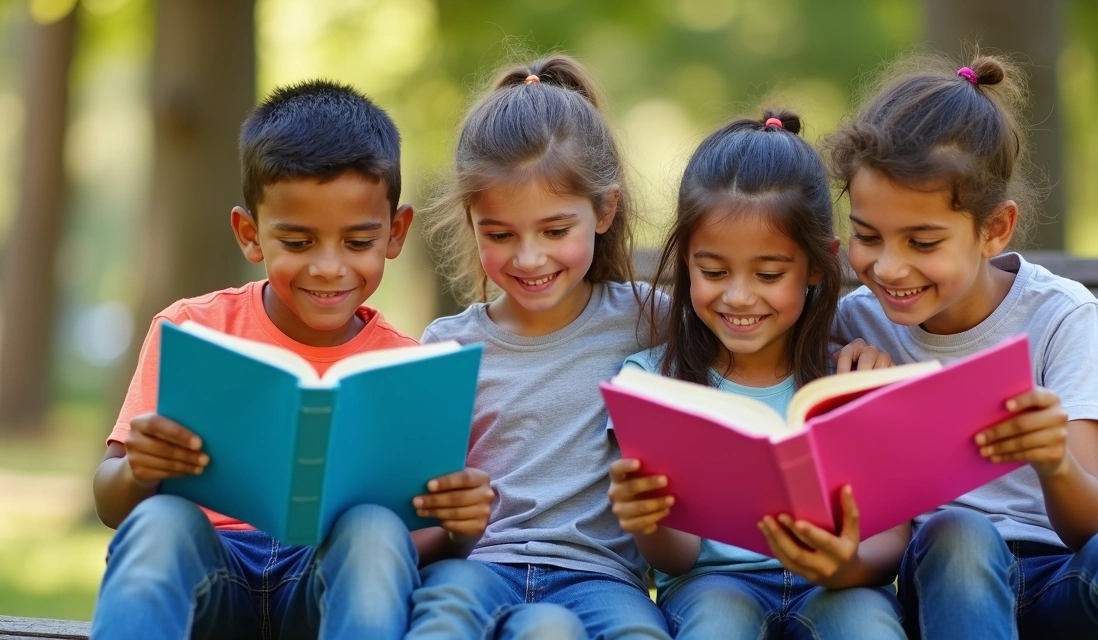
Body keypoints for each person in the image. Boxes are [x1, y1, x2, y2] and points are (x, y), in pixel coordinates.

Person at [90, 80, 494, 640]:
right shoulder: (191, 329)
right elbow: (111, 501)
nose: (329, 268)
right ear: (250, 234)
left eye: (357, 242)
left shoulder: (410, 366)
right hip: (214, 580)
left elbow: (418, 543)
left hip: (324, 587)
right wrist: (139, 468)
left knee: (376, 528)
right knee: (161, 520)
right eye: (298, 242)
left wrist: (457, 529)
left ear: (396, 233)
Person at [824, 52, 1098, 639]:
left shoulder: (1062, 317)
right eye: (867, 236)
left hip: (1066, 576)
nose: (889, 267)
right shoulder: (857, 325)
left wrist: (1051, 457)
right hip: (950, 580)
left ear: (994, 229)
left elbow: (1089, 527)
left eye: (922, 242)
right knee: (960, 532)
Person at [606, 111, 908, 639]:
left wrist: (844, 566)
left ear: (817, 265)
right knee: (718, 623)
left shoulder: (852, 376)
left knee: (868, 626)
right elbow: (675, 560)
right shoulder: (655, 385)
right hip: (712, 584)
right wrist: (648, 519)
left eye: (769, 274)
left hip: (839, 586)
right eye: (713, 272)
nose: (739, 296)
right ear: (686, 263)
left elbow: (890, 539)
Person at [405, 55, 669, 639]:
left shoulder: (649, 319)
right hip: (482, 566)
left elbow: (754, 326)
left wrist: (857, 346)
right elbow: (423, 508)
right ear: (471, 220)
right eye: (500, 235)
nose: (529, 259)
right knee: (440, 620)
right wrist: (450, 521)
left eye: (555, 231)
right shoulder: (447, 345)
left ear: (605, 210)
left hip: (602, 577)